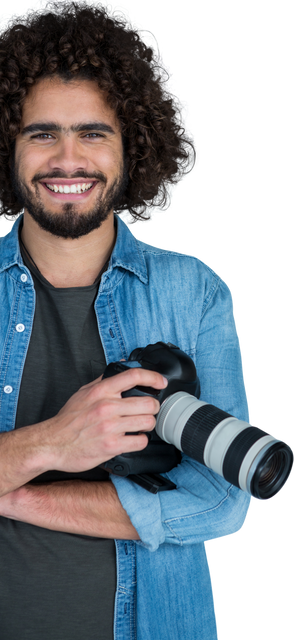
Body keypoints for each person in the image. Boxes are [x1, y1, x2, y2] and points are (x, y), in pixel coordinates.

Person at [0, 2, 253, 638]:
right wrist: (56, 442)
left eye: (93, 132)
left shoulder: (192, 289)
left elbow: (224, 502)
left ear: (132, 145)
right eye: (41, 133)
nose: (67, 160)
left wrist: (21, 495)